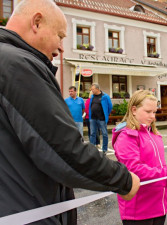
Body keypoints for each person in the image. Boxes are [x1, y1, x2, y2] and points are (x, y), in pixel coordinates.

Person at [0, 0, 140, 224]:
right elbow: (63, 149)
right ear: (36, 22)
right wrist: (123, 180)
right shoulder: (17, 64)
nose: (61, 47)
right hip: (25, 210)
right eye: (60, 36)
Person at [112, 90, 167, 225]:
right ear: (134, 110)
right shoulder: (126, 136)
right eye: (148, 112)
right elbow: (135, 170)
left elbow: (161, 166)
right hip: (138, 210)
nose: (153, 117)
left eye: (154, 112)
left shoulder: (154, 134)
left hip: (159, 206)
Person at [89, 83, 112, 153]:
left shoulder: (105, 96)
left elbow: (110, 107)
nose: (92, 90)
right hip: (93, 118)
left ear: (97, 89)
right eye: (91, 89)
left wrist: (106, 115)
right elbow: (91, 106)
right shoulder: (92, 96)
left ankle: (104, 149)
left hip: (101, 119)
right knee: (92, 133)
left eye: (93, 89)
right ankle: (92, 148)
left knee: (104, 134)